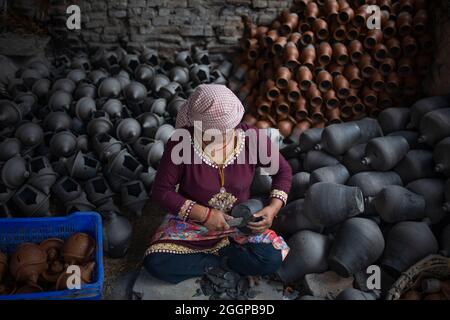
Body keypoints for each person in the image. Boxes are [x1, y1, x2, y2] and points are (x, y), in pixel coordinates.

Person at [144, 84, 292, 284]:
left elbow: (283, 171)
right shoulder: (182, 142)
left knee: (271, 257)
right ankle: (225, 262)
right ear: (198, 126)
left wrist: (272, 209)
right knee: (157, 262)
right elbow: (161, 191)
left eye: (228, 130)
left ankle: (218, 260)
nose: (224, 137)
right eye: (214, 133)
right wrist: (204, 215)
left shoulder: (251, 138)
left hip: (239, 225)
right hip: (193, 224)